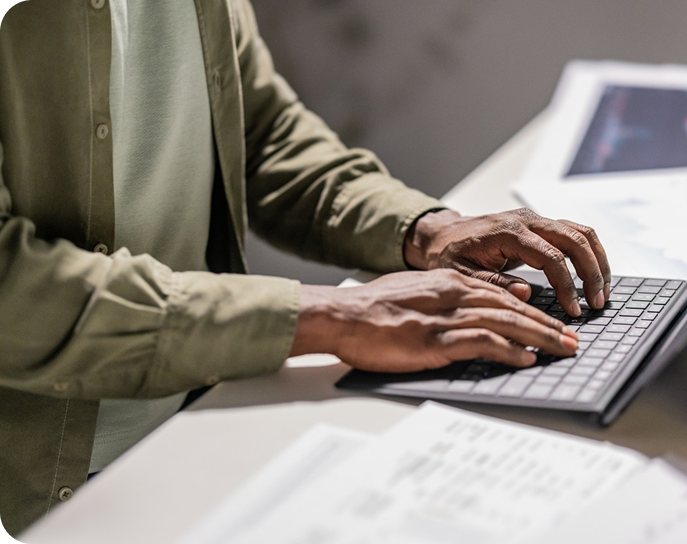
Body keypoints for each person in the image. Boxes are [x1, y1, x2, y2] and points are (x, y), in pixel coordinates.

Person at [0, 0, 610, 536]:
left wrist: (426, 230)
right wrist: (327, 316)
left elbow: (263, 135)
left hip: (200, 424)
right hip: (44, 492)